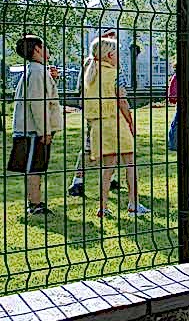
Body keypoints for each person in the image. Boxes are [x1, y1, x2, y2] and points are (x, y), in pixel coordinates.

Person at [82, 36, 149, 217]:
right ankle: (133, 204)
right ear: (110, 55)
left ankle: (102, 207)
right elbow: (122, 100)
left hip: (98, 125)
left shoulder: (91, 75)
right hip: (116, 122)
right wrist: (130, 121)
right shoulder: (114, 74)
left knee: (107, 167)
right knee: (130, 163)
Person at [8, 35, 63, 216]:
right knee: (34, 167)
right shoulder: (37, 72)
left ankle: (35, 201)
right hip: (33, 129)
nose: (48, 50)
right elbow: (37, 103)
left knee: (37, 166)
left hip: (33, 128)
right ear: (37, 49)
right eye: (44, 46)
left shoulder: (37, 70)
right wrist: (44, 131)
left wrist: (53, 79)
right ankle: (34, 203)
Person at [69, 30, 122, 198]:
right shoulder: (91, 64)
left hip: (109, 111)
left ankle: (110, 179)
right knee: (90, 148)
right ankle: (77, 182)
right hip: (97, 112)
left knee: (113, 147)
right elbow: (82, 88)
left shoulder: (114, 65)